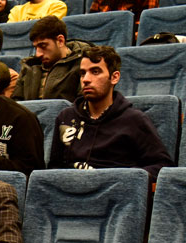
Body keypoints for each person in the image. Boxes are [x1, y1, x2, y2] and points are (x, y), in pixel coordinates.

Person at [49, 46, 173, 179]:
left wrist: (125, 177)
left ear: (114, 77)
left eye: (95, 72)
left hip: (114, 188)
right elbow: (53, 169)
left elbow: (162, 166)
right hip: (71, 188)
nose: (86, 79)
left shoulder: (134, 120)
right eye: (83, 73)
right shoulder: (66, 117)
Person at [13, 16, 88, 101]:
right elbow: (16, 103)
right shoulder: (29, 67)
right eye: (36, 48)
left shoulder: (82, 63)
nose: (38, 54)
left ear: (60, 41)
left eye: (43, 46)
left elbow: (83, 103)